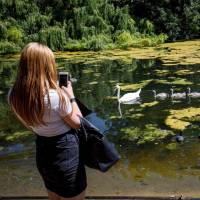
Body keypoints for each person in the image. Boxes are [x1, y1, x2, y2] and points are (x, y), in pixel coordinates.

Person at [7, 42, 87, 200]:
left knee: (53, 194)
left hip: (43, 152)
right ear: (46, 65)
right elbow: (79, 123)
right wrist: (70, 95)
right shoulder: (55, 96)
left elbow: (29, 125)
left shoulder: (13, 95)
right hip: (64, 152)